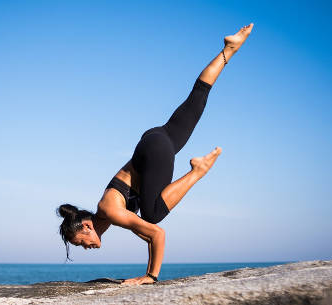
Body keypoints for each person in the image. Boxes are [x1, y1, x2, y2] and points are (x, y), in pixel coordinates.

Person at [57, 23, 254, 285]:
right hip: (154, 140)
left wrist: (150, 276)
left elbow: (156, 234)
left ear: (86, 227)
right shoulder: (106, 214)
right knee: (197, 99)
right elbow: (144, 233)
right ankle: (229, 49)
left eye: (81, 243)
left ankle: (197, 171)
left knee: (152, 215)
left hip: (154, 152)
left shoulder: (110, 210)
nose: (85, 248)